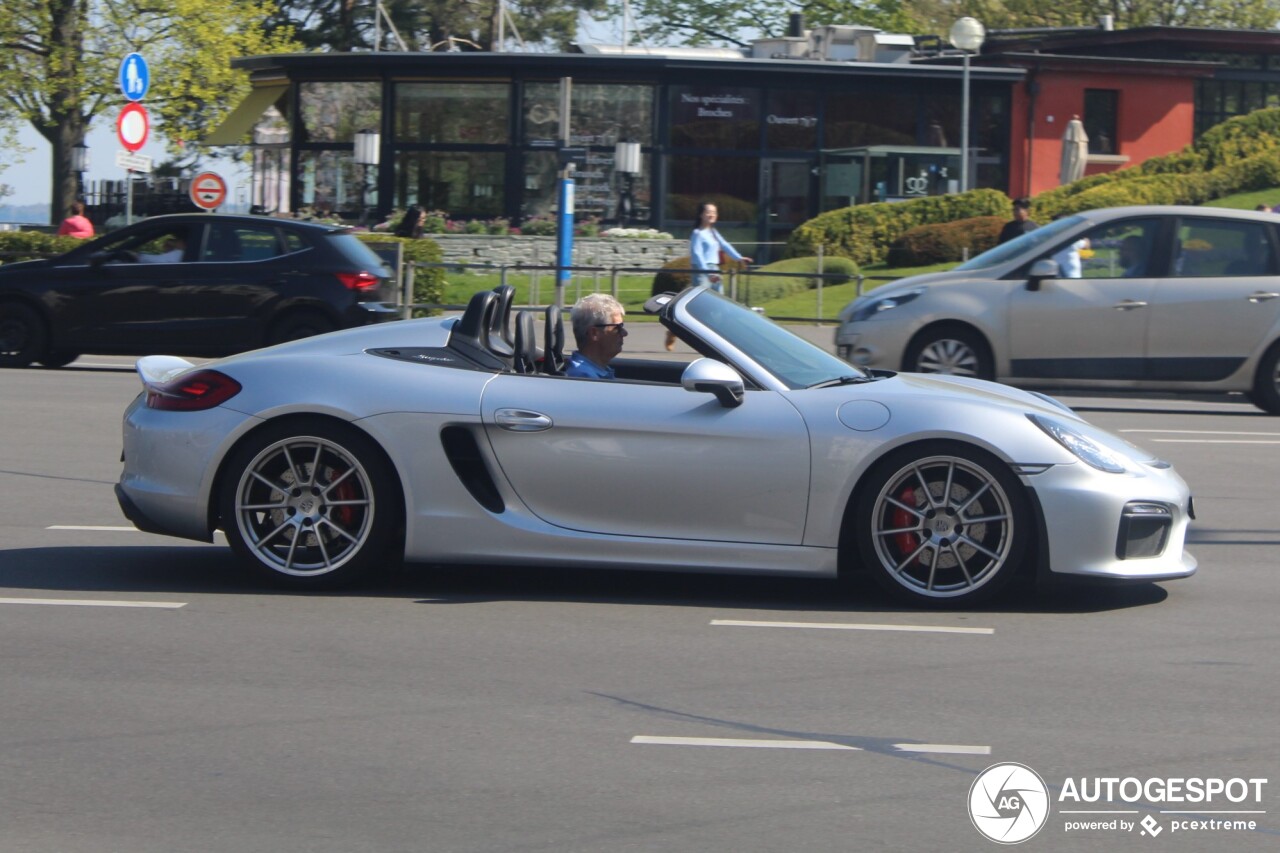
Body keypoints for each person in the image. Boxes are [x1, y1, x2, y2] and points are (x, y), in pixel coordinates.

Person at [675, 201, 753, 350]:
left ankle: (720, 339)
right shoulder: (697, 233)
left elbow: (725, 246)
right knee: (700, 306)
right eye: (708, 212)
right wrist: (709, 273)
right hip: (703, 271)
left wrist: (739, 258)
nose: (711, 215)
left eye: (714, 212)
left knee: (720, 304)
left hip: (714, 269)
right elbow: (697, 255)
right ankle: (683, 332)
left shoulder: (714, 233)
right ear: (701, 215)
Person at [565, 293, 627, 379]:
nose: (624, 333)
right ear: (594, 333)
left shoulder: (597, 371)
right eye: (617, 328)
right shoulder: (584, 378)